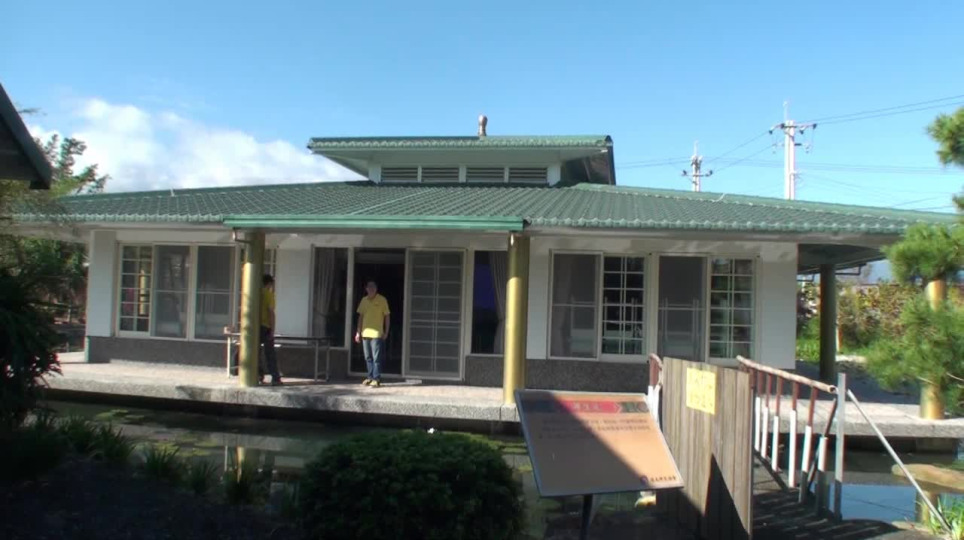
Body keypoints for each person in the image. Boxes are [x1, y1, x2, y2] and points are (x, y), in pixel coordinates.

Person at [355, 280, 390, 387]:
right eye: (369, 287)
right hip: (365, 334)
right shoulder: (364, 300)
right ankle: (370, 377)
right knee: (368, 358)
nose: (371, 289)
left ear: (376, 288)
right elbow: (360, 317)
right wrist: (358, 332)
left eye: (373, 287)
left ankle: (376, 378)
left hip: (376, 334)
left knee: (376, 358)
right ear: (366, 289)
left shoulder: (382, 300)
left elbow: (387, 316)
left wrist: (386, 331)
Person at [260, 274, 282, 386]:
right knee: (270, 354)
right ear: (269, 283)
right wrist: (272, 330)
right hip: (266, 327)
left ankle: (258, 375)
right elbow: (271, 313)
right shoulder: (269, 295)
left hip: (256, 327)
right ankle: (275, 378)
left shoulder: (258, 294)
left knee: (256, 353)